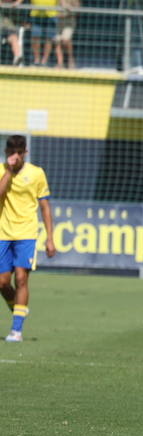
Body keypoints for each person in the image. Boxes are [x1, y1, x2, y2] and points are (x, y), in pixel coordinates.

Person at [0, 135, 55, 342]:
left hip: (27, 234)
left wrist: (50, 238)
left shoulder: (37, 173)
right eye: (11, 153)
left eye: (19, 153)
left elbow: (45, 207)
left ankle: (16, 330)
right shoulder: (2, 169)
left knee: (21, 278)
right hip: (3, 233)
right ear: (7, 153)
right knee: (2, 283)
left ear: (25, 152)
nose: (15, 156)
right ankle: (19, 309)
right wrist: (9, 171)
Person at [55, 0, 78, 69]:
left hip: (68, 21)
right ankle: (60, 63)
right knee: (57, 41)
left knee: (66, 40)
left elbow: (77, 7)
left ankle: (70, 59)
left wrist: (68, 12)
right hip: (56, 21)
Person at [0, 0, 23, 65]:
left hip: (9, 30)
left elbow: (19, 20)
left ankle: (17, 57)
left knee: (14, 38)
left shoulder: (13, 7)